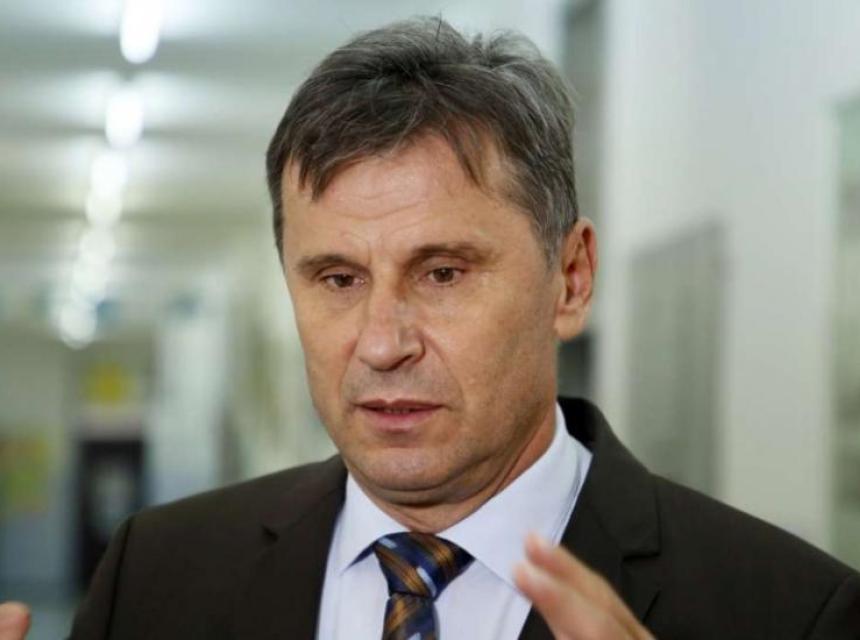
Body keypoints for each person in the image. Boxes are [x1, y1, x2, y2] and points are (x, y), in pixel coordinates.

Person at [3, 16, 859, 640]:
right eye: (338, 279)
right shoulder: (155, 575)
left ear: (570, 279)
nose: (382, 344)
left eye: (443, 273)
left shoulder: (794, 613)